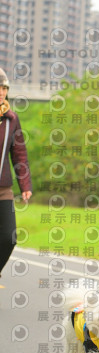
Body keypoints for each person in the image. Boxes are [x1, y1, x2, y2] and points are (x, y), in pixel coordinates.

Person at [0, 68, 32, 280]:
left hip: (3, 189)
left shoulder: (11, 119)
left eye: (4, 88)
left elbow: (19, 153)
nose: (1, 92)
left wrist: (25, 185)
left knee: (9, 237)